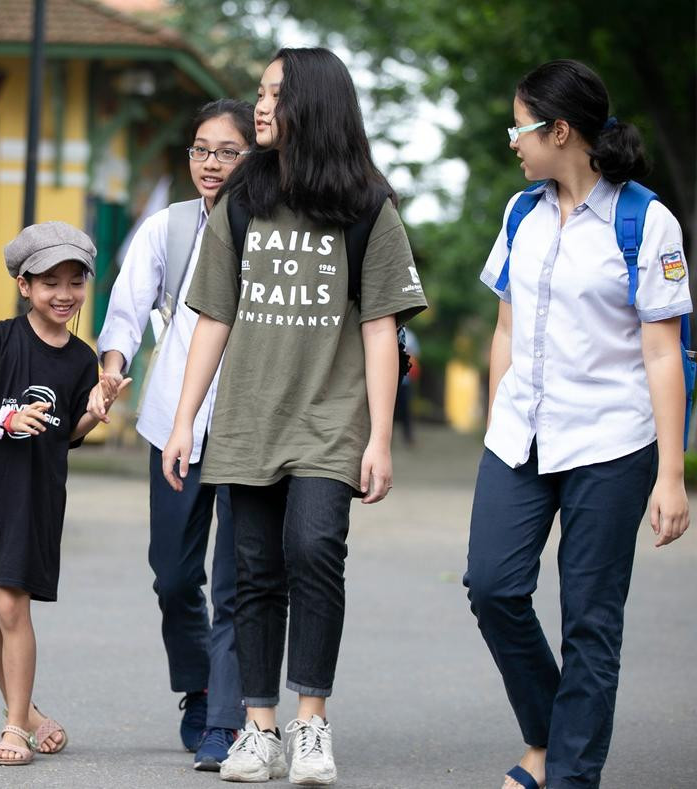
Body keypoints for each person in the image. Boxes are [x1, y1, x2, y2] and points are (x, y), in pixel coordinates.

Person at [160, 48, 427, 784]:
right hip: (248, 414)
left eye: (276, 92)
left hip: (329, 418)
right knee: (254, 570)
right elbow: (214, 314)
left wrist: (380, 435)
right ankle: (258, 725)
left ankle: (311, 722)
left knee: (314, 549)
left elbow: (381, 326)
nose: (263, 106)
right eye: (261, 92)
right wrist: (185, 419)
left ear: (314, 101)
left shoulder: (367, 203)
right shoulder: (246, 193)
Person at [465, 59, 691, 789]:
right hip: (520, 436)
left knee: (591, 622)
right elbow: (504, 326)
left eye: (519, 126)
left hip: (611, 444)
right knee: (492, 585)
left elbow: (664, 353)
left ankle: (566, 776)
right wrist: (499, 411)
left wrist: (670, 473)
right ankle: (547, 730)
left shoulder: (646, 221)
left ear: (559, 130)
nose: (513, 142)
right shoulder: (520, 212)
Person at [90, 98, 254, 770]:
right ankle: (198, 682)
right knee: (173, 575)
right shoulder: (169, 226)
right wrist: (111, 368)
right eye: (199, 149)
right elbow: (127, 310)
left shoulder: (270, 229)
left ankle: (224, 714)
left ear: (253, 157)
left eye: (226, 151)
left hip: (248, 426)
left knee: (238, 577)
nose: (209, 163)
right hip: (172, 423)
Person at [0, 222, 130, 766]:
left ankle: (12, 728)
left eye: (75, 282)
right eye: (50, 282)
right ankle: (29, 713)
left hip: (37, 495)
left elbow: (68, 433)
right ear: (24, 285)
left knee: (10, 604)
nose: (64, 294)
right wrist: (6, 417)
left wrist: (94, 414)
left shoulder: (80, 359)